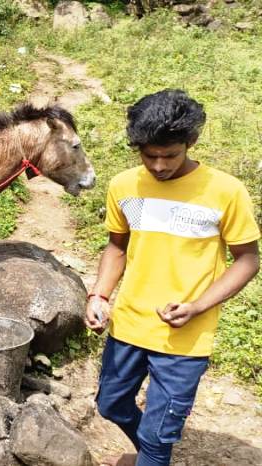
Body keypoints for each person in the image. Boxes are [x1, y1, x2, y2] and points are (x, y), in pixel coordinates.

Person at [85, 90, 260, 466]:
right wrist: (99, 296)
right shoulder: (124, 186)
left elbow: (247, 260)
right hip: (130, 323)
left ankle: (154, 451)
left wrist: (198, 306)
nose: (160, 166)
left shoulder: (226, 191)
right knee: (110, 403)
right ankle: (152, 451)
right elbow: (117, 247)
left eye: (170, 155)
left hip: (186, 336)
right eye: (150, 156)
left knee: (157, 436)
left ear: (190, 143)